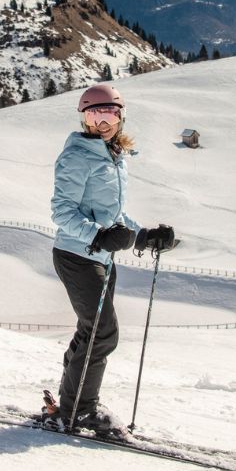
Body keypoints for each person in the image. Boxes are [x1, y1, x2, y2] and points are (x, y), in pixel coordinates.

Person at [46, 84, 175, 432]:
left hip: (101, 257)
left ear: (120, 117)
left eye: (110, 114)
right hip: (77, 256)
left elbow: (111, 213)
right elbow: (61, 211)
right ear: (84, 118)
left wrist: (143, 235)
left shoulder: (113, 156)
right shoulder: (78, 156)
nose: (102, 122)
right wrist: (98, 236)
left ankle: (68, 403)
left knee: (91, 331)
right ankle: (80, 410)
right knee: (103, 334)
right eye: (94, 114)